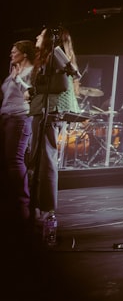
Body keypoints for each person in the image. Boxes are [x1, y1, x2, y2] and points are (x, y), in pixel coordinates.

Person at [28, 25, 83, 229]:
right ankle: (42, 207)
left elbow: (61, 85)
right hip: (48, 112)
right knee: (42, 160)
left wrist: (33, 89)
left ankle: (47, 209)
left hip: (50, 112)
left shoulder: (54, 56)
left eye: (41, 34)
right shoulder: (56, 57)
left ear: (51, 39)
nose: (37, 36)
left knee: (46, 160)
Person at [1, 40, 36, 223]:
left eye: (14, 51)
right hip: (7, 117)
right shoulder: (14, 70)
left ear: (24, 54)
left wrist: (17, 79)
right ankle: (12, 202)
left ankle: (23, 204)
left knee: (15, 160)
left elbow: (30, 93)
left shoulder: (31, 72)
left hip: (20, 118)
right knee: (9, 161)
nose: (11, 54)